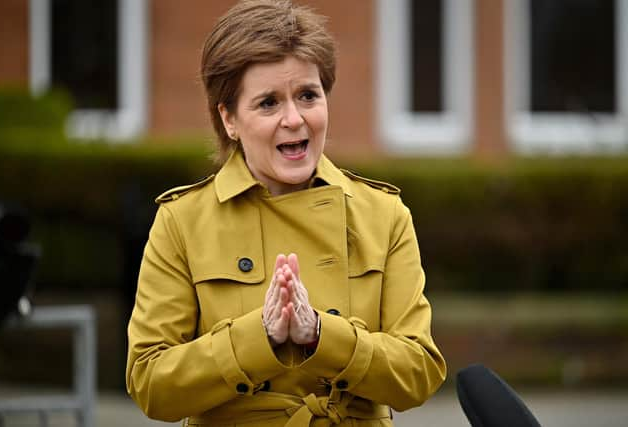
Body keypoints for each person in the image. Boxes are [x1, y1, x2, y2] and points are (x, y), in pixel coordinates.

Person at [126, 1, 446, 425]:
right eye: (268, 103)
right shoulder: (183, 221)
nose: (294, 119)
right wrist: (259, 339)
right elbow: (151, 384)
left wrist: (320, 335)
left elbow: (419, 374)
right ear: (229, 119)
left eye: (308, 96)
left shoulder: (383, 215)